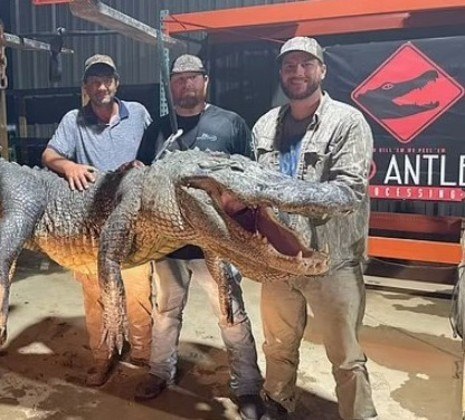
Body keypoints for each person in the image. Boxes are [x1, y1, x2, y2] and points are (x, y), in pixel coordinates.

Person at [252, 37, 378, 420]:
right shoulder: (264, 126)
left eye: (306, 64)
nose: (297, 72)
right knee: (277, 343)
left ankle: (359, 415)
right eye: (289, 65)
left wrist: (282, 193)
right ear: (281, 73)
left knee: (345, 355)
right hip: (278, 259)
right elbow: (253, 186)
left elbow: (347, 191)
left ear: (322, 70)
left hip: (331, 261)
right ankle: (277, 401)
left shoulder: (347, 122)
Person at [135, 54, 264, 420]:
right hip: (168, 244)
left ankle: (248, 386)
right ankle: (160, 372)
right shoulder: (158, 129)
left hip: (216, 244)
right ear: (171, 85)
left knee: (230, 314)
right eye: (178, 79)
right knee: (165, 312)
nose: (185, 85)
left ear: (205, 82)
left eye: (193, 78)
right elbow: (142, 174)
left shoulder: (230, 124)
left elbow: (250, 178)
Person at [42, 54, 153, 387]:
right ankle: (103, 357)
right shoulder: (74, 120)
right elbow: (49, 155)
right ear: (86, 87)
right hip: (89, 228)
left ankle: (143, 354)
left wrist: (143, 165)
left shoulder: (139, 114)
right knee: (95, 294)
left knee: (138, 292)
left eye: (106, 80)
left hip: (133, 222)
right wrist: (69, 166)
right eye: (94, 81)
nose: (101, 86)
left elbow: (157, 152)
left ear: (117, 83)